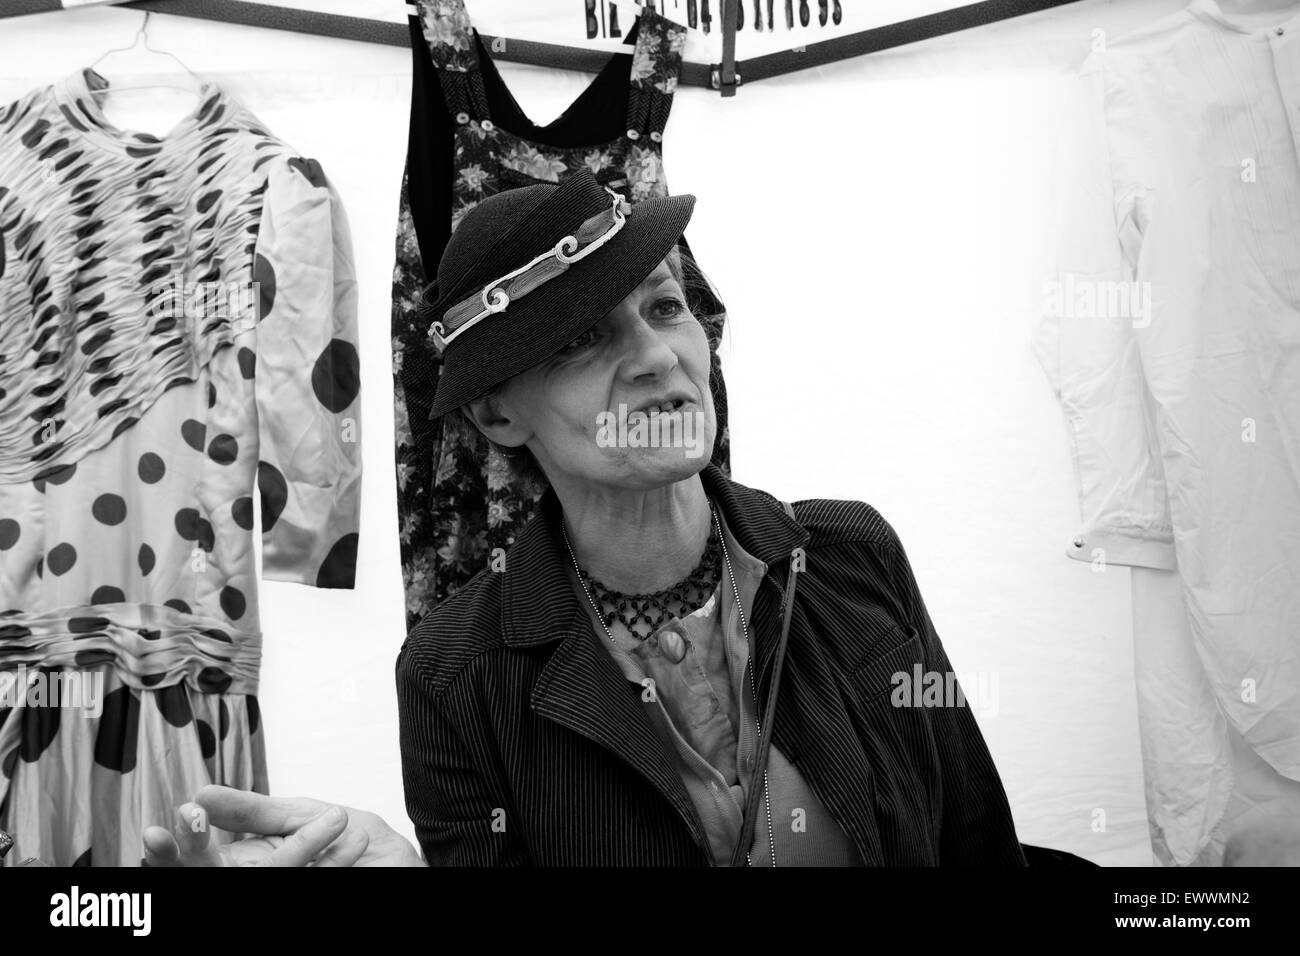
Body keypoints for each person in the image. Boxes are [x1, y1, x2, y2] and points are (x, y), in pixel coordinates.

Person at [144, 168, 1026, 867]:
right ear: (497, 415)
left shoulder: (848, 556)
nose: (654, 358)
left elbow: (980, 842)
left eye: (665, 306)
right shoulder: (456, 677)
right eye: (582, 339)